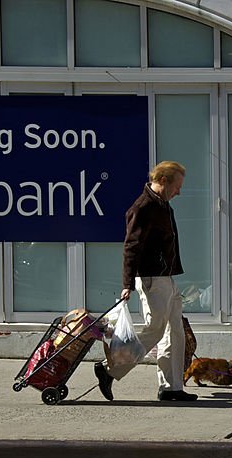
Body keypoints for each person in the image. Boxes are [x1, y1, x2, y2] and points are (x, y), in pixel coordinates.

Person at [93, 161, 198, 402]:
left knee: (176, 332)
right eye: (177, 186)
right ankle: (109, 369)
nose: (179, 192)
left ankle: (171, 387)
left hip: (166, 278)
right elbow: (131, 246)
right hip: (151, 279)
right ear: (163, 180)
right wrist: (127, 283)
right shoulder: (144, 207)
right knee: (155, 330)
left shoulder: (162, 205)